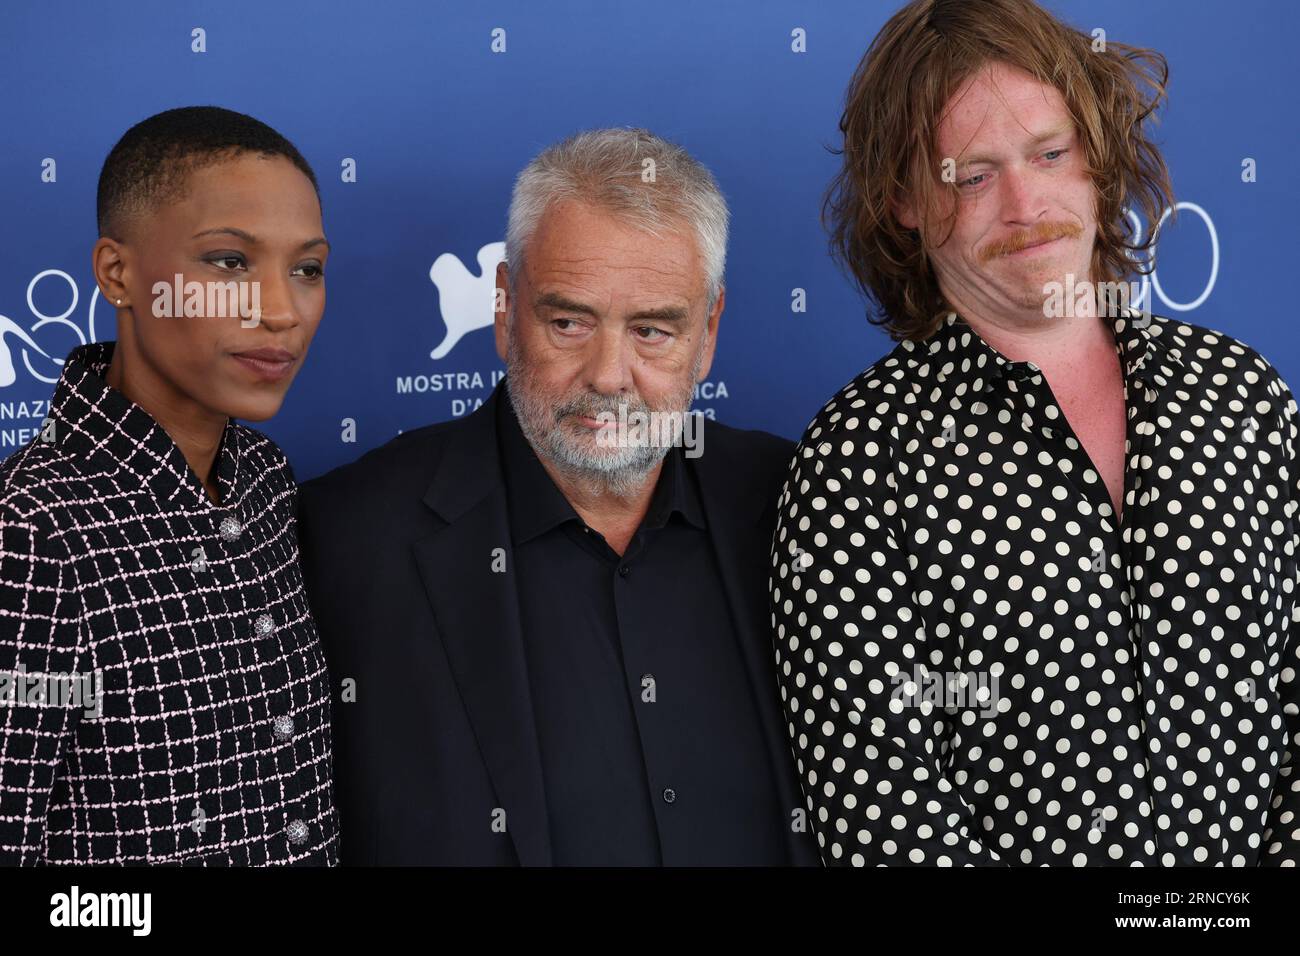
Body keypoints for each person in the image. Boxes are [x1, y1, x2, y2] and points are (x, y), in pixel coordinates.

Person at [770, 0, 1299, 865]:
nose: (1025, 203)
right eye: (971, 175)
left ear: (1095, 155)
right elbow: (883, 820)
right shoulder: (855, 467)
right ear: (903, 198)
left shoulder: (1241, 393)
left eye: (1050, 153)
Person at [298, 128, 819, 866]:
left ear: (708, 334)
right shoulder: (348, 538)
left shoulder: (801, 508)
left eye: (652, 330)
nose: (609, 375)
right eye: (569, 322)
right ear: (505, 311)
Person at [0, 106, 338, 865]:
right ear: (118, 274)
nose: (280, 310)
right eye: (228, 262)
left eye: (307, 269)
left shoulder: (266, 480)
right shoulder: (29, 531)